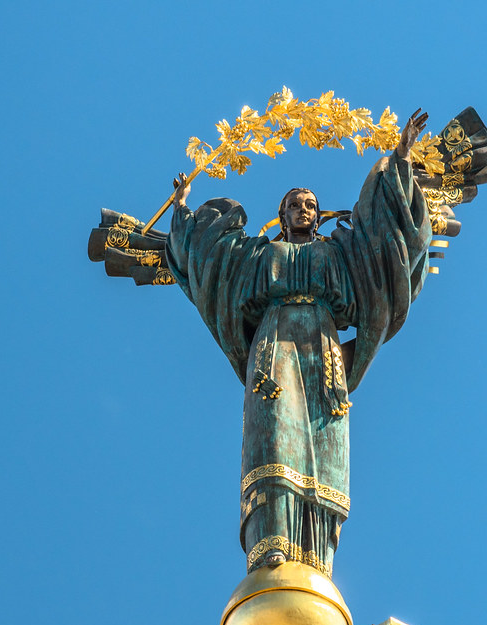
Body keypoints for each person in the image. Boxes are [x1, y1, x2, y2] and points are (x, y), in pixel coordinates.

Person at [166, 111, 432, 578]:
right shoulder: (261, 255)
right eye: (295, 203)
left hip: (323, 352)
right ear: (283, 215)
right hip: (275, 347)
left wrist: (401, 159)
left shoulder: (339, 254)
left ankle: (316, 556)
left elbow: (383, 237)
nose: (305, 208)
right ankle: (269, 545)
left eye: (311, 203)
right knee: (274, 439)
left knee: (323, 444)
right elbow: (212, 265)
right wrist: (183, 212)